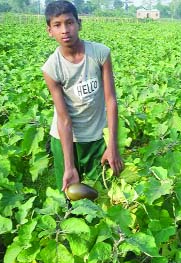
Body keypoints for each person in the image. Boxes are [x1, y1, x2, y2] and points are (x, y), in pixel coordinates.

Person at [42, 0, 124, 192]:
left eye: (69, 22)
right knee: (72, 194)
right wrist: (69, 165)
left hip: (97, 136)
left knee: (103, 191)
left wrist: (112, 145)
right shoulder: (51, 68)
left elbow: (111, 100)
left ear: (79, 24)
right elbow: (63, 119)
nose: (65, 30)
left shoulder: (100, 53)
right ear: (49, 31)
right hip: (67, 140)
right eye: (57, 25)